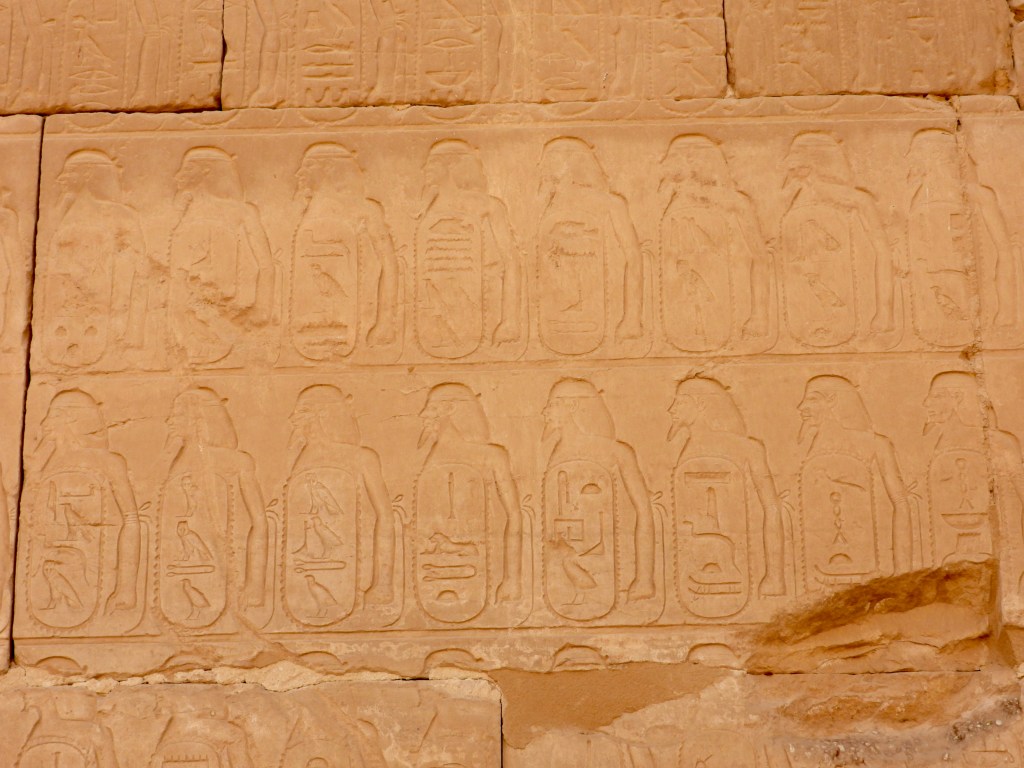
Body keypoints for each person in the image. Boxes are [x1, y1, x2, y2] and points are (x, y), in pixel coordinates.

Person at [668, 377, 787, 617]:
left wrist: (775, 576)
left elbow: (771, 508)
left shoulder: (747, 449)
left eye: (680, 402)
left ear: (700, 405)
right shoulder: (688, 447)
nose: (671, 409)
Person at [25, 389, 141, 628]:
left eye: (54, 415)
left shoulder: (109, 462)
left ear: (71, 419)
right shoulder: (43, 468)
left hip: (98, 572)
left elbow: (131, 520)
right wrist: (35, 470)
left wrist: (126, 588)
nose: (45, 423)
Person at [541, 378, 656, 620]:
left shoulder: (617, 452)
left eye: (552, 405)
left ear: (572, 406)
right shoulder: (556, 452)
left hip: (603, 549)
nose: (545, 412)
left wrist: (644, 578)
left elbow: (643, 511)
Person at [158, 387, 269, 628]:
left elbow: (260, 522)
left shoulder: (237, 462)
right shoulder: (174, 464)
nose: (170, 420)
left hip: (230, 576)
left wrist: (255, 584)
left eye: (177, 414)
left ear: (197, 418)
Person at [285, 385, 397, 623]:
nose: (292, 418)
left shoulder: (362, 457)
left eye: (302, 411)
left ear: (323, 413)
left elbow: (385, 516)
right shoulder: (301, 457)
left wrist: (383, 583)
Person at [415, 383, 523, 622]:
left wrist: (512, 579)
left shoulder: (492, 456)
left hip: (478, 565)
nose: (423, 414)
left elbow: (514, 515)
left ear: (450, 409)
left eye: (432, 408)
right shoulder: (430, 458)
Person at [797, 375, 912, 590]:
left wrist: (903, 572)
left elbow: (900, 503)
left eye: (811, 399)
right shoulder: (805, 449)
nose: (801, 406)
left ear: (832, 400)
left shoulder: (876, 445)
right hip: (821, 562)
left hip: (864, 560)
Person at [537, 137, 645, 355]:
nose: (543, 166)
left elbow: (633, 257)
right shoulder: (546, 205)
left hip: (605, 309)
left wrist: (632, 318)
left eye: (551, 160)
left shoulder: (611, 204)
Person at [168, 146, 274, 366]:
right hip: (187, 311)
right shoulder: (184, 214)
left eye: (187, 169)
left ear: (206, 171)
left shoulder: (241, 212)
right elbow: (174, 268)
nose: (178, 176)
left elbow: (266, 265)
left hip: (226, 310)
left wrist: (262, 308)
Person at [291, 143, 398, 360]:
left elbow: (389, 264)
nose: (299, 173)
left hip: (360, 321)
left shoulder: (365, 211)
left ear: (329, 169)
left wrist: (385, 321)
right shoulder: (303, 210)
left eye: (308, 166)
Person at [416, 139, 521, 358]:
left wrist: (510, 320)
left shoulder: (488, 206)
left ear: (452, 166)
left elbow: (510, 261)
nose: (425, 168)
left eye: (433, 163)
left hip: (484, 307)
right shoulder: (425, 209)